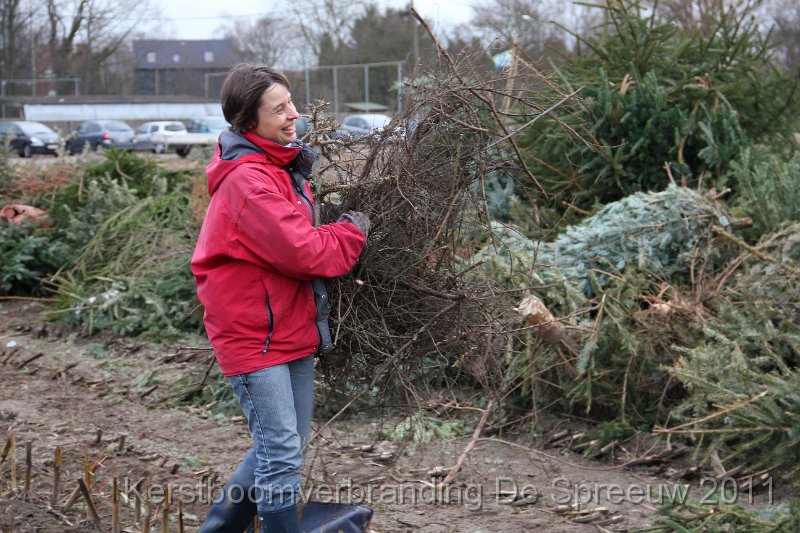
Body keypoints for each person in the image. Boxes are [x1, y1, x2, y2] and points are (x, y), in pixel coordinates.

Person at [191, 62, 369, 533]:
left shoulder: (280, 168)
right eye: (280, 108)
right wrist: (352, 232)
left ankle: (219, 530)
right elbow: (306, 251)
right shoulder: (249, 181)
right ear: (249, 121)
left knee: (282, 444)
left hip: (288, 326)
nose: (294, 114)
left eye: (291, 102)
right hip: (253, 335)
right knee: (281, 450)